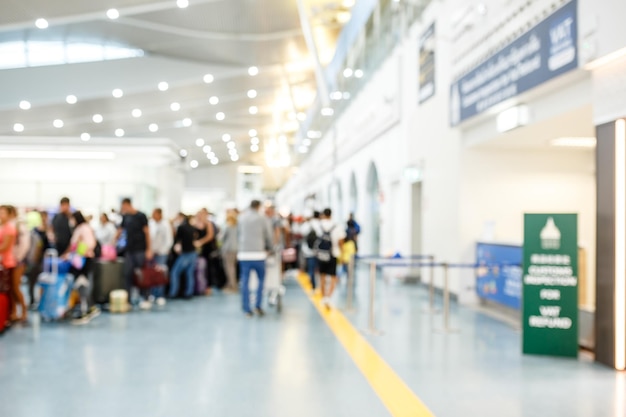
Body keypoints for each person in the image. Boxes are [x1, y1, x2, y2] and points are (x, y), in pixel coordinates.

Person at [64, 211, 100, 324]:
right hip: (79, 260)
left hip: (84, 260)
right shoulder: (81, 228)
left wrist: (79, 252)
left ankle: (86, 310)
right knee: (81, 284)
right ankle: (89, 307)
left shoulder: (84, 228)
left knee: (83, 284)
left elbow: (90, 244)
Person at [238, 200, 272, 317]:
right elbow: (268, 235)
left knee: (245, 281)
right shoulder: (263, 219)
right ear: (258, 206)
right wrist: (270, 248)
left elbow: (239, 234)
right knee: (261, 280)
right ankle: (258, 305)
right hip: (259, 254)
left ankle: (247, 309)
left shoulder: (241, 218)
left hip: (244, 254)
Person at [118, 198, 152, 309]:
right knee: (127, 274)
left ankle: (145, 297)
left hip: (140, 250)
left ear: (127, 205)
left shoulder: (141, 216)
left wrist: (148, 249)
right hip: (129, 250)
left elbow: (147, 233)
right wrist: (112, 242)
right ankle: (128, 300)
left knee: (142, 274)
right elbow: (120, 231)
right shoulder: (125, 217)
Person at [317, 208, 346, 309]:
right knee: (333, 277)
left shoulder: (319, 225)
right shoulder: (337, 226)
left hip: (321, 254)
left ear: (323, 215)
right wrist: (343, 254)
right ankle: (328, 297)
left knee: (322, 276)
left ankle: (323, 296)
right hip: (333, 254)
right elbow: (341, 242)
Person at [7, 206, 30, 322]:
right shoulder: (8, 225)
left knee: (16, 287)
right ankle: (14, 312)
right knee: (11, 287)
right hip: (9, 261)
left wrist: (17, 258)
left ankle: (24, 311)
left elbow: (25, 244)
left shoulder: (19, 225)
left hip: (18, 261)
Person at [168, 214, 198, 299]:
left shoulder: (181, 228)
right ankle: (189, 292)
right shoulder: (192, 228)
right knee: (189, 274)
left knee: (174, 273)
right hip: (193, 253)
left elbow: (177, 240)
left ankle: (173, 292)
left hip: (186, 253)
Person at [26, 211, 51, 310]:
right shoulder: (35, 231)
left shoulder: (49, 230)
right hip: (35, 259)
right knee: (32, 281)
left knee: (43, 282)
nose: (44, 219)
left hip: (45, 260)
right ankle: (32, 300)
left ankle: (42, 301)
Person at [149, 208, 172, 306]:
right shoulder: (151, 223)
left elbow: (169, 239)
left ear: (159, 214)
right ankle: (152, 294)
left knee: (161, 274)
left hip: (162, 253)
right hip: (152, 253)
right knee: (152, 273)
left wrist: (164, 250)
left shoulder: (165, 224)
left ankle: (160, 295)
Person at [193, 208, 218, 295]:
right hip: (199, 249)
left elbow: (210, 236)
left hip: (207, 248)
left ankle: (208, 287)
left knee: (208, 268)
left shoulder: (208, 223)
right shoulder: (196, 224)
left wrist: (201, 242)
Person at [0, 205, 18, 325]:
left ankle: (11, 314)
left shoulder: (10, 228)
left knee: (9, 290)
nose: (1, 215)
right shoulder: (2, 227)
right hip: (2, 261)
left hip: (8, 262)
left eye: (3, 213)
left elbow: (5, 246)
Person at [300, 210, 322, 291]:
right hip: (319, 251)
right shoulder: (320, 224)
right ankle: (320, 285)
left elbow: (301, 233)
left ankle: (313, 285)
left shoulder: (307, 224)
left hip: (308, 250)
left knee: (311, 268)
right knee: (320, 269)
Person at [220, 210, 238, 293]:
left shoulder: (227, 226)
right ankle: (231, 284)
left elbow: (221, 238)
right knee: (232, 267)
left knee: (229, 268)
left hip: (228, 249)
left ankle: (232, 286)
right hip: (236, 249)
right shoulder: (237, 226)